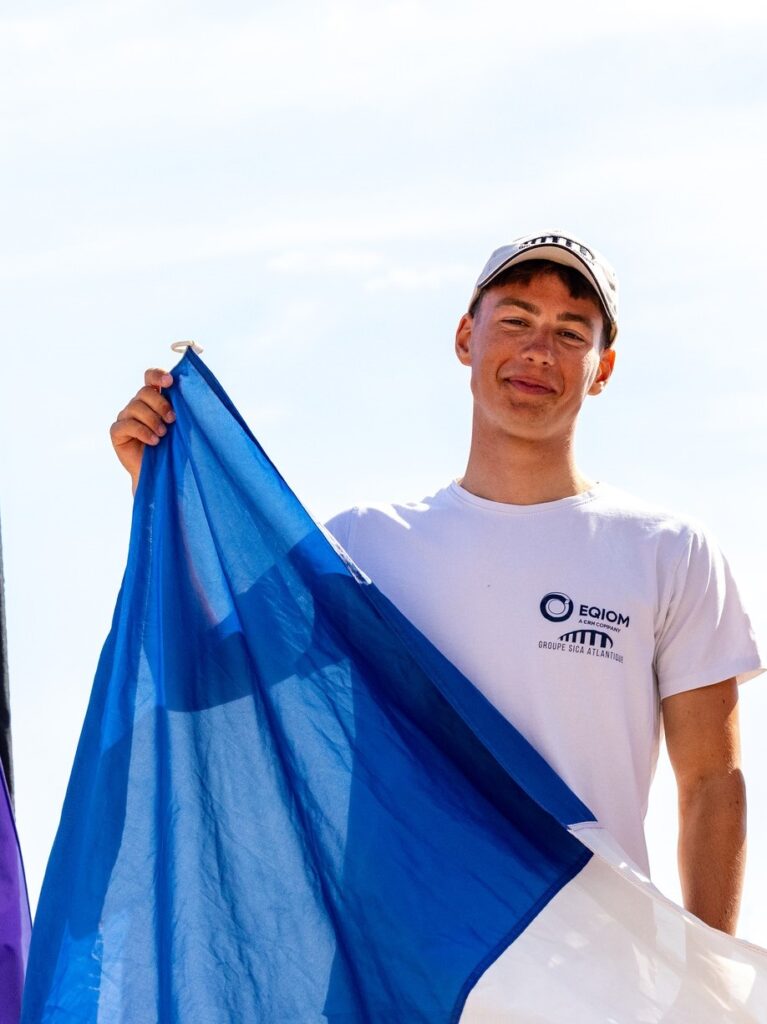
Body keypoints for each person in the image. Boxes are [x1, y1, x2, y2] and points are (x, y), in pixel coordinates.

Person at [110, 230, 763, 936]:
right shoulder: (362, 547)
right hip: (413, 964)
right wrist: (161, 499)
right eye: (515, 320)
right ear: (465, 337)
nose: (538, 350)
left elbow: (710, 782)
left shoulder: (668, 551)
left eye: (570, 333)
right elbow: (206, 678)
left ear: (601, 367)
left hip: (601, 963)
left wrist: (708, 976)